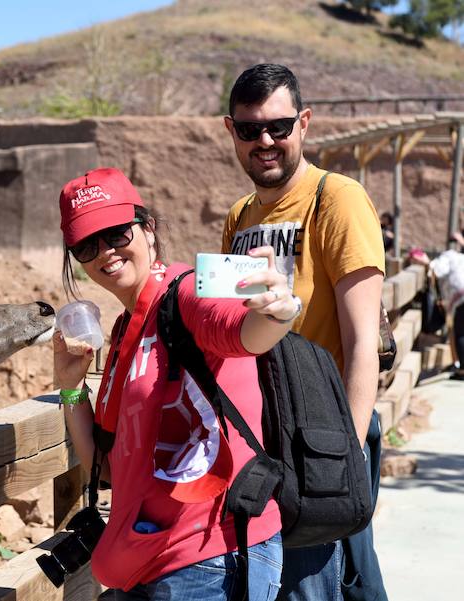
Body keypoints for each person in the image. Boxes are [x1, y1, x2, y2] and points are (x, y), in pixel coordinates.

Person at [54, 167, 301, 601]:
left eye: (116, 233)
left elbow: (240, 331)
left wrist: (275, 312)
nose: (104, 253)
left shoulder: (185, 293)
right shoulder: (125, 330)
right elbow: (108, 468)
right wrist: (72, 387)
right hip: (149, 564)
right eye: (86, 245)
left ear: (147, 228)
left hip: (210, 559)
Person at [220, 64, 387, 601]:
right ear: (232, 131)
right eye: (250, 130)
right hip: (262, 442)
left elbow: (363, 340)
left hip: (324, 438)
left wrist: (348, 453)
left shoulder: (335, 199)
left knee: (313, 586)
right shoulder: (239, 217)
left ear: (305, 123)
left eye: (279, 126)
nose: (265, 141)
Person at [410, 247, 464, 379]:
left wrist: (428, 264)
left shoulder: (447, 256)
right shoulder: (459, 257)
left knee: (461, 334)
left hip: (461, 297)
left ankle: (462, 371)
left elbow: (439, 270)